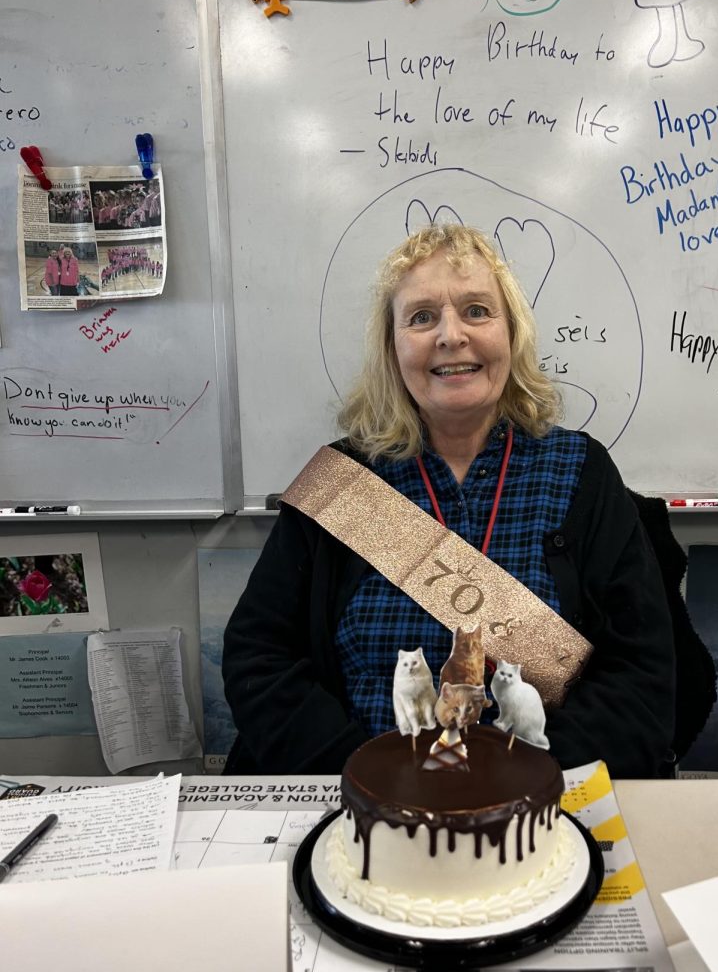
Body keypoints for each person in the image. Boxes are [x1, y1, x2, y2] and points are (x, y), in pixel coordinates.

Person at [222, 225, 676, 777]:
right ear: (393, 347)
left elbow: (640, 670)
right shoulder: (342, 481)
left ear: (512, 333)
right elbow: (259, 658)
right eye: (421, 317)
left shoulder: (580, 471)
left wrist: (535, 781)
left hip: (533, 809)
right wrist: (362, 776)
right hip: (364, 798)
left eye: (477, 311)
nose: (450, 335)